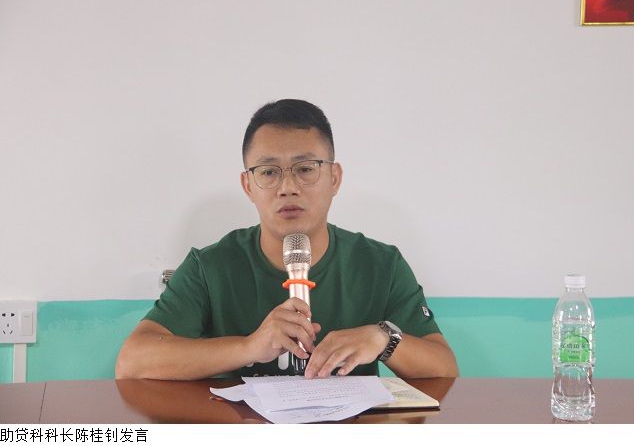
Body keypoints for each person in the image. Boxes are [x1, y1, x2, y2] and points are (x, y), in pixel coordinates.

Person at [115, 99, 458, 380]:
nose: (288, 187)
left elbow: (444, 367)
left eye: (305, 168)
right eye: (268, 172)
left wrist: (384, 339)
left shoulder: (381, 264)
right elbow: (133, 361)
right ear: (248, 186)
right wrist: (249, 347)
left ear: (334, 178)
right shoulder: (210, 266)